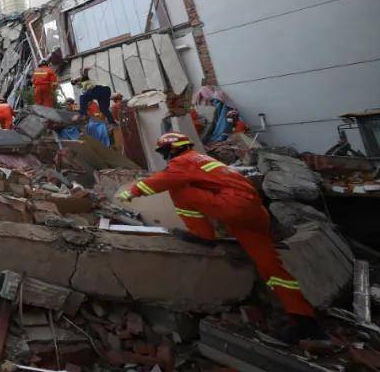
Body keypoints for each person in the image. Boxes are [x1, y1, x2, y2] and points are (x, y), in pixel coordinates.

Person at [117, 132, 321, 343]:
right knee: (272, 269)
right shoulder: (203, 159)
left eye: (164, 152)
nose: (165, 157)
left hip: (233, 206)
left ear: (172, 150)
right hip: (255, 212)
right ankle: (304, 320)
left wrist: (132, 191)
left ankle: (202, 234)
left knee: (179, 192)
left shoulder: (184, 161)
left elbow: (164, 180)